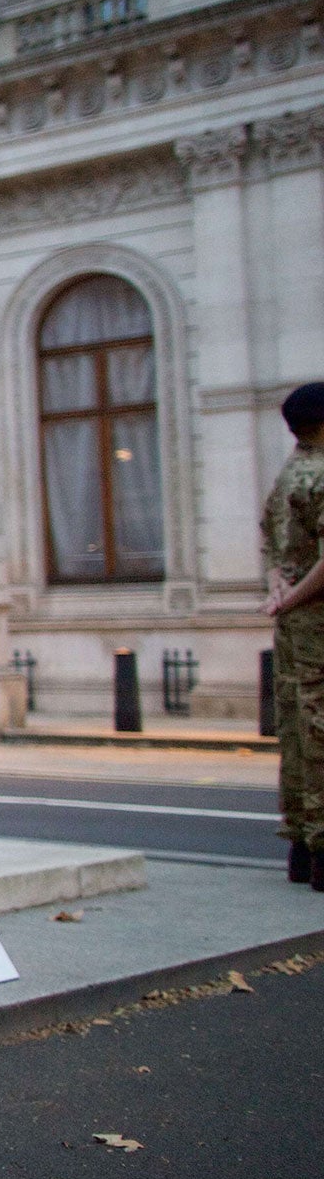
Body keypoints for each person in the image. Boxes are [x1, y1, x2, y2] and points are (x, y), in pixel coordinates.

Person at [261, 381, 324, 890]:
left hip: (292, 626)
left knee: (297, 731)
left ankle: (302, 846)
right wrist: (294, 595)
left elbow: (270, 539)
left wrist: (279, 588)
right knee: (320, 730)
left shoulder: (288, 476)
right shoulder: (321, 473)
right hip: (317, 619)